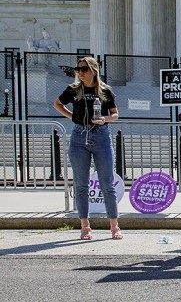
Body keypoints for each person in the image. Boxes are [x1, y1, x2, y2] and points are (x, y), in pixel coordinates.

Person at [53, 56, 122, 241]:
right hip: (79, 135)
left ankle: (114, 225)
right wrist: (73, 117)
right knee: (81, 184)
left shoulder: (105, 90)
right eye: (78, 69)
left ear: (93, 70)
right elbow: (57, 104)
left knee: (107, 182)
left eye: (83, 69)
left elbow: (115, 114)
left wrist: (105, 119)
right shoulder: (74, 89)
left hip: (101, 134)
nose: (80, 72)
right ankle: (85, 226)